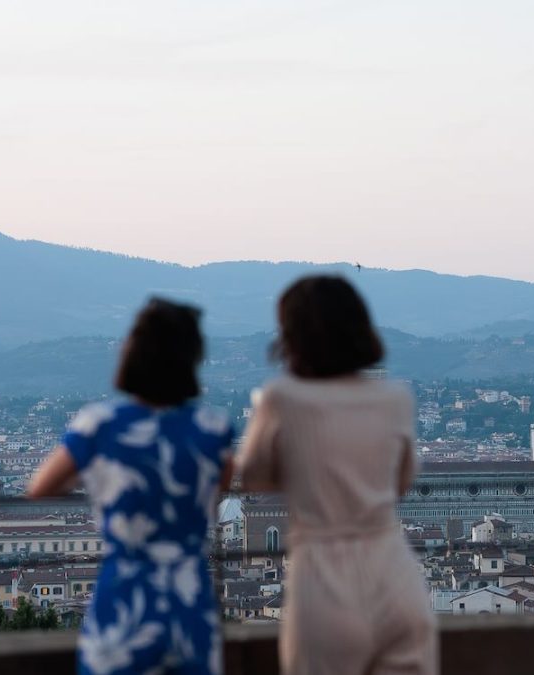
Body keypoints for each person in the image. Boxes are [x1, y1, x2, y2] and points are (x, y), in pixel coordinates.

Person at [237, 275, 437, 675]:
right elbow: (398, 484)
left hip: (325, 581)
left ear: (292, 337)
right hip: (397, 576)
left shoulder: (283, 398)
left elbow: (253, 478)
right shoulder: (396, 399)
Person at [28, 298, 234, 675]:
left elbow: (40, 487)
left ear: (132, 354)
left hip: (125, 592)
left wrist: (98, 480)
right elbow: (219, 488)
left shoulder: (99, 424)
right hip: (189, 599)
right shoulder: (213, 429)